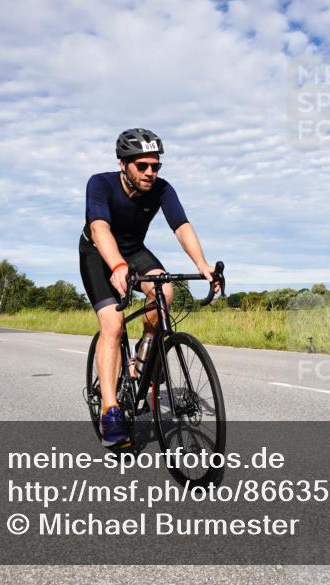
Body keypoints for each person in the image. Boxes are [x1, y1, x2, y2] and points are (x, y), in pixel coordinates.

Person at [79, 128, 219, 448]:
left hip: (133, 249)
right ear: (123, 164)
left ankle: (140, 359)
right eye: (142, 166)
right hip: (98, 253)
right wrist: (117, 267)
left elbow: (181, 226)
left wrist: (202, 265)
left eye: (155, 166)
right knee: (112, 324)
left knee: (164, 291)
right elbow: (99, 228)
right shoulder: (99, 183)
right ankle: (110, 411)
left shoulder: (162, 189)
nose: (150, 172)